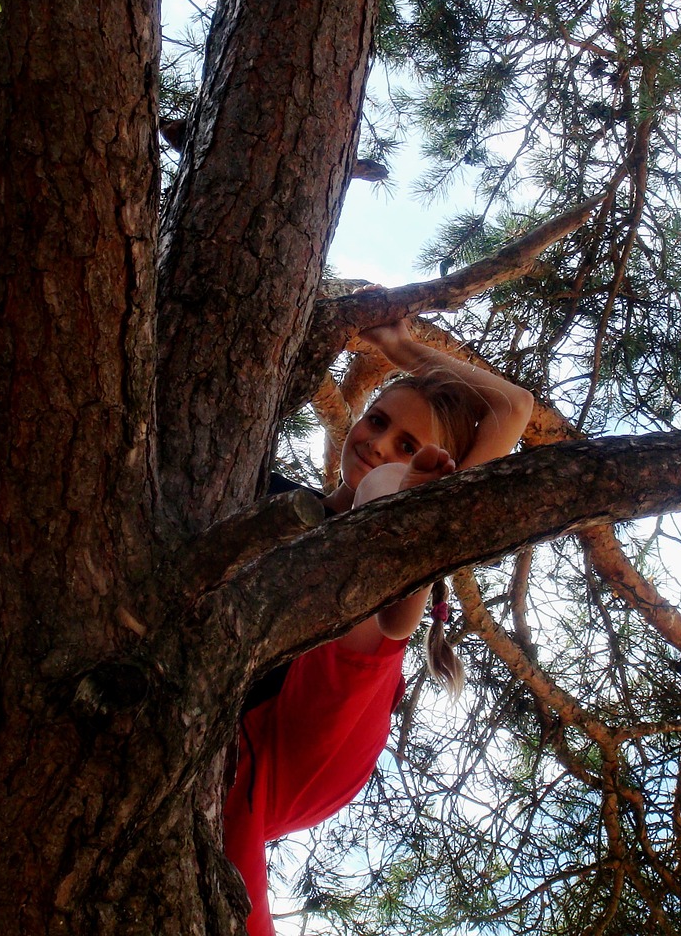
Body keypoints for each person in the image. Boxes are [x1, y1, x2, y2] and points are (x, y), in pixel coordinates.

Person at [224, 317, 534, 936]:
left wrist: (406, 350)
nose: (379, 445)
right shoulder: (268, 492)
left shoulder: (379, 545)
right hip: (246, 702)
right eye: (378, 421)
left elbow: (512, 408)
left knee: (380, 556)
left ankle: (404, 524)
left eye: (405, 448)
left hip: (318, 729)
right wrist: (395, 353)